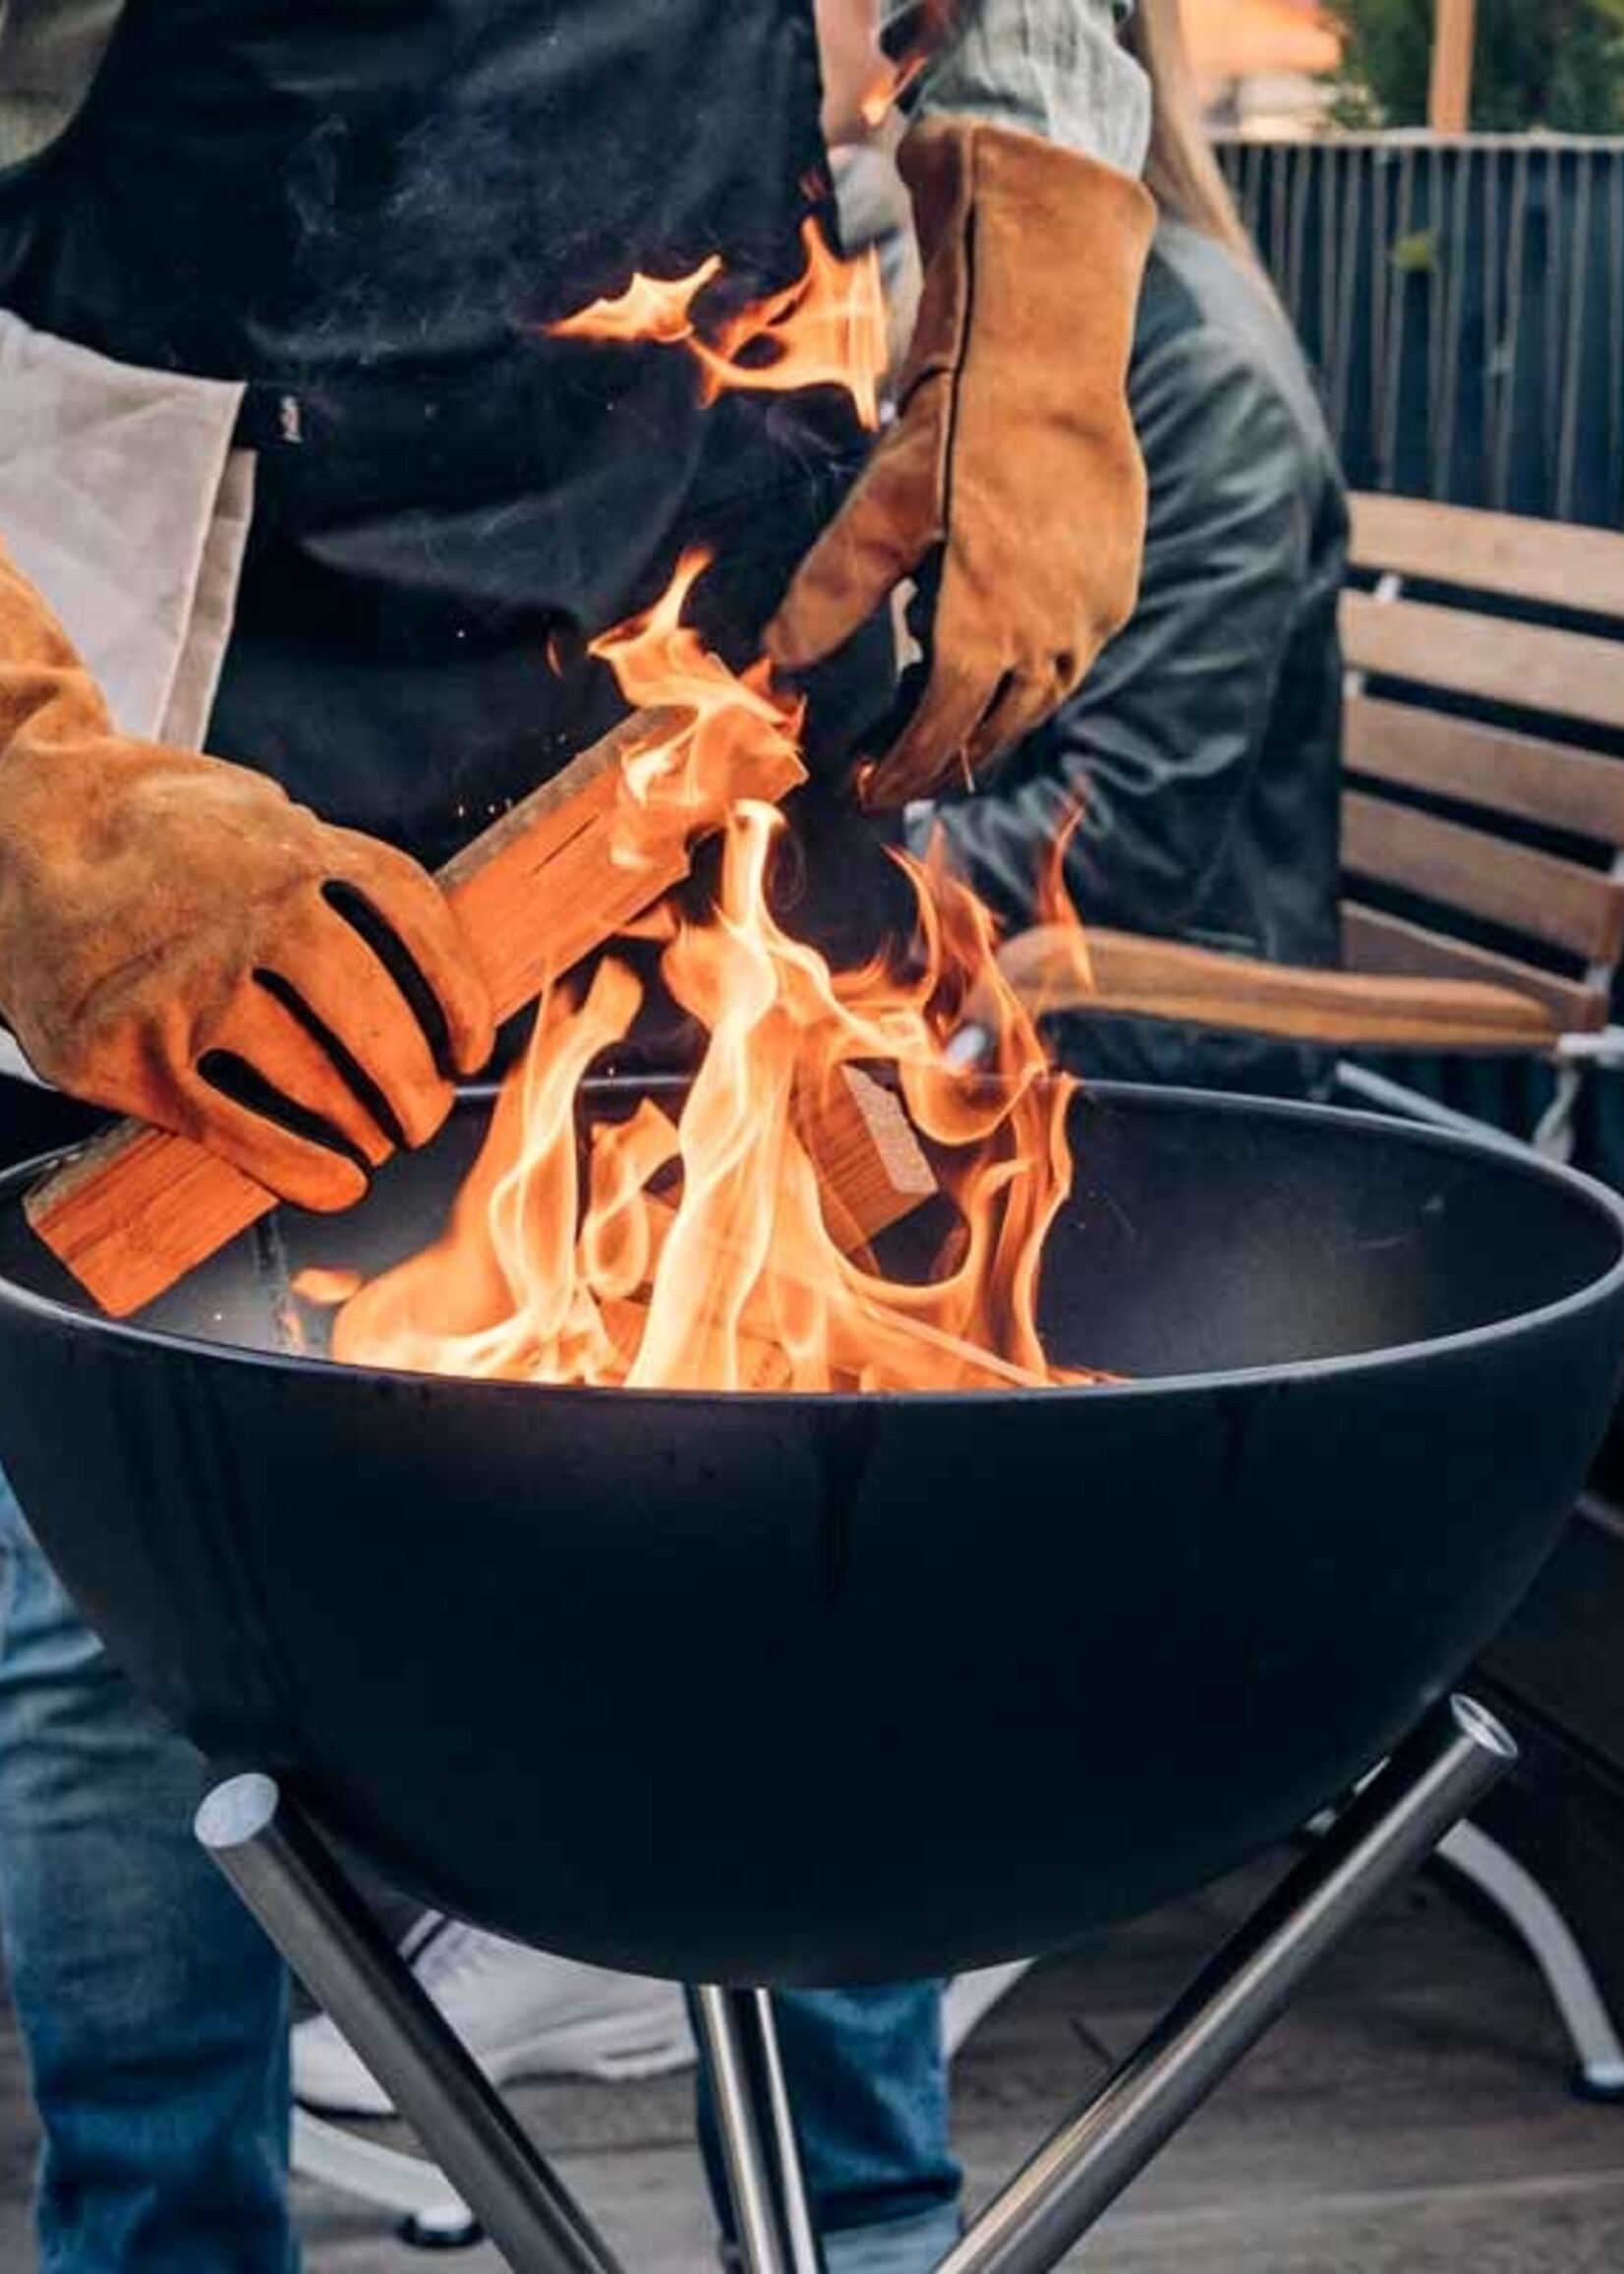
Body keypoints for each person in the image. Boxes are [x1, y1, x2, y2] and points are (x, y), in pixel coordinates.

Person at [0, 4, 1153, 2270]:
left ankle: (868, 2237)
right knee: (114, 1597)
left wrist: (1034, 284)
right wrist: (27, 793)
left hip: (689, 611)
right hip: (178, 655)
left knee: (812, 1493)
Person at [929, 0, 1348, 1102]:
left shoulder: (1202, 379)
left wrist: (837, 869)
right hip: (1014, 997)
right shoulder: (1042, 334)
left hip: (1167, 1047)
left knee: (817, 1197)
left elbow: (1126, 838)